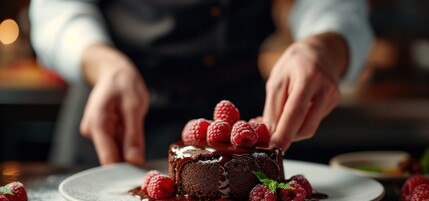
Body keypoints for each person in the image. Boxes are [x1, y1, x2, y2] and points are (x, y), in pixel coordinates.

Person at [29, 0, 373, 167]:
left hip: (244, 125)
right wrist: (101, 62)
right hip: (113, 111)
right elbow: (55, 8)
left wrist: (324, 45)